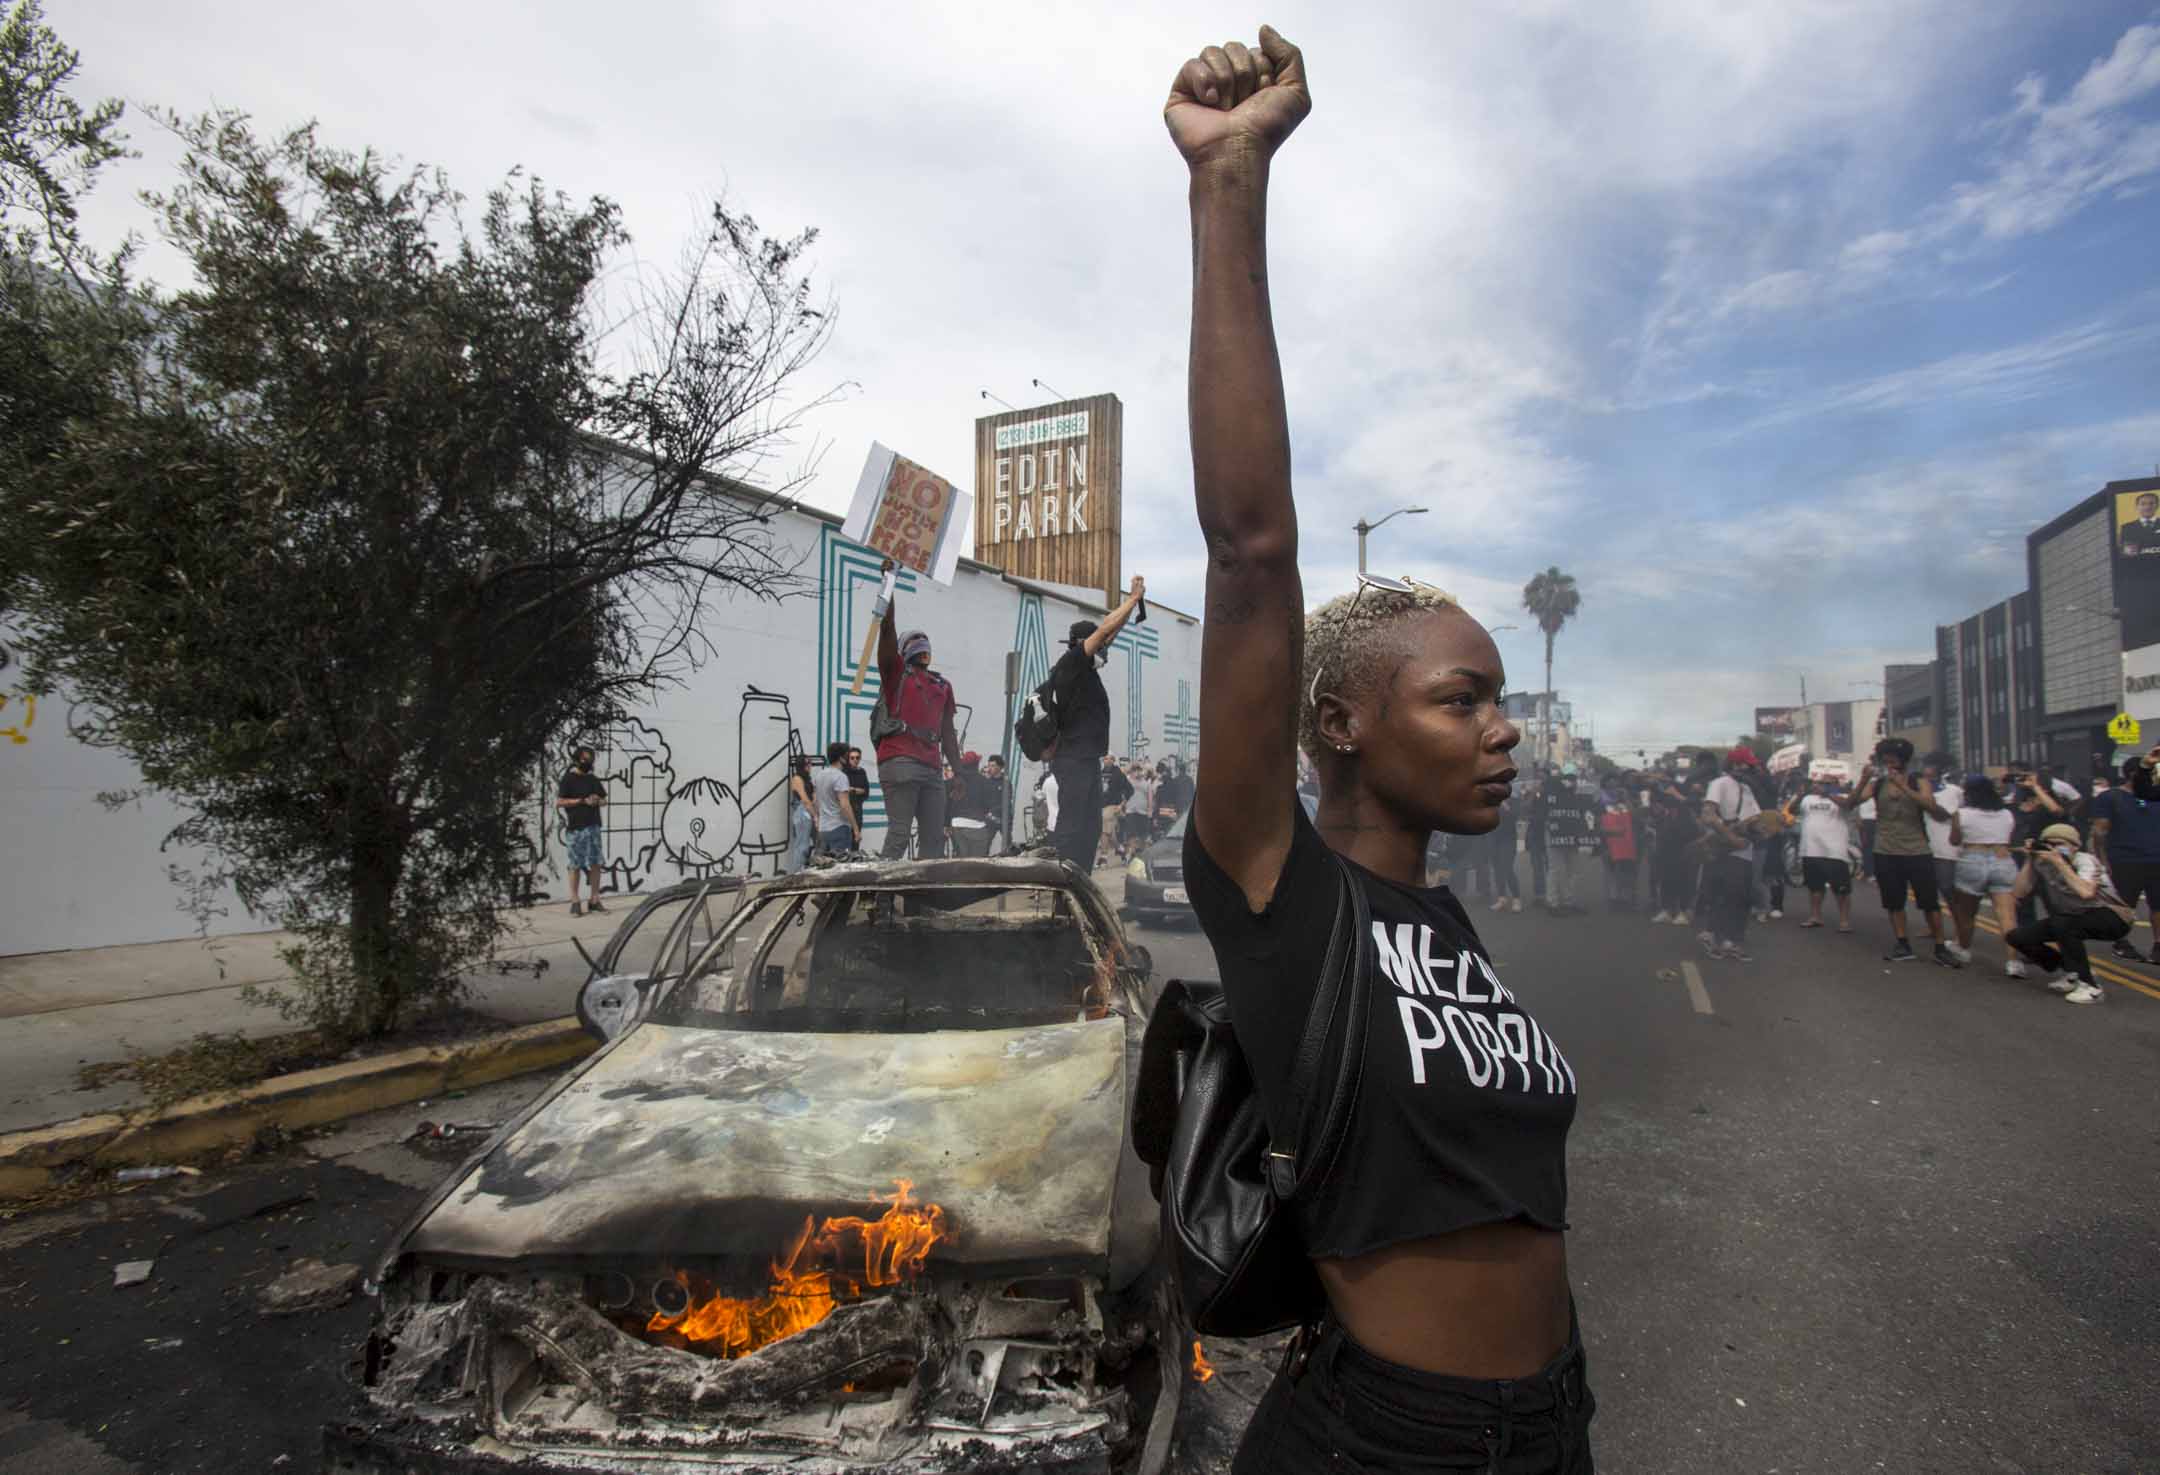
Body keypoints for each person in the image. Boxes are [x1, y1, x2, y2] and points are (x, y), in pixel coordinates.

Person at [1167, 31, 1592, 1473]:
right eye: (1461, 698)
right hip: (1387, 1443)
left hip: (1551, 1423)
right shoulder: (1282, 888)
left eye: (1493, 699)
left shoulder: (1444, 917)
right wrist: (1231, 186)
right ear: (1341, 722)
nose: (1504, 726)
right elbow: (1251, 545)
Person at [1046, 578, 1148, 872]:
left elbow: (1109, 633)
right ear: (1083, 645)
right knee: (1071, 830)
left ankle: (1081, 883)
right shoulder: (1071, 665)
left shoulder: (1087, 671)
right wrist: (1132, 600)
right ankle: (1062, 889)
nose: (1105, 650)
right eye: (1098, 646)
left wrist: (1132, 602)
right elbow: (1104, 629)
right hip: (1072, 759)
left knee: (1089, 832)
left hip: (1087, 760)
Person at [873, 574, 966, 862]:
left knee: (934, 838)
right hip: (900, 761)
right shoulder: (895, 674)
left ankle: (923, 900)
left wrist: (959, 772)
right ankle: (878, 896)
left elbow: (948, 733)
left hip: (931, 767)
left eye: (924, 641)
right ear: (903, 650)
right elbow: (887, 630)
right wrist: (888, 586)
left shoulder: (942, 685)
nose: (922, 644)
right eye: (915, 641)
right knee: (900, 834)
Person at [1855, 738, 1956, 967]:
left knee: (1929, 902)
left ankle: (1940, 947)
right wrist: (1862, 780)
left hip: (1917, 849)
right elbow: (1850, 803)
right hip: (1885, 850)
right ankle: (1902, 943)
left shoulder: (1918, 780)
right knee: (1894, 902)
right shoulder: (1878, 783)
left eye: (1893, 756)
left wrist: (1903, 787)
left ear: (1903, 759)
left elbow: (1930, 806)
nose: (1888, 760)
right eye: (1885, 757)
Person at [2007, 823, 2129, 1003]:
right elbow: (2018, 892)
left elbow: (2086, 892)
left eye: (2059, 844)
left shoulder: (2085, 860)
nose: (2054, 849)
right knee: (2017, 937)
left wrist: (2059, 863)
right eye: (2049, 844)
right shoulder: (2041, 862)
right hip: (2073, 917)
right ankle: (2072, 971)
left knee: (2063, 923)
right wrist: (2029, 861)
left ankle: (2091, 987)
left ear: (2075, 846)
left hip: (2112, 916)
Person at [2088, 756, 2160, 965]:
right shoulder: (2110, 798)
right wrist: (2102, 861)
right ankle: (2121, 942)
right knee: (2124, 905)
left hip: (2156, 858)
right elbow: (2099, 832)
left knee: (2158, 905)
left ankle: (2158, 946)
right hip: (2125, 859)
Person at [1946, 774, 2019, 973]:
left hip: (1972, 858)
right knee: (2007, 916)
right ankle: (2013, 962)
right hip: (2003, 859)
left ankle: (1962, 948)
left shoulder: (1961, 814)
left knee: (1967, 913)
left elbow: (1954, 840)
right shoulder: (2006, 814)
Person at [1698, 748, 1762, 961]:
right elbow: (1708, 815)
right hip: (1726, 850)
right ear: (1734, 765)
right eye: (1746, 764)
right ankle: (1719, 938)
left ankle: (1727, 940)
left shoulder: (1746, 788)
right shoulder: (1720, 783)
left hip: (1745, 850)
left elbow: (1754, 818)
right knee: (1729, 895)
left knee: (1741, 898)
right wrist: (1731, 837)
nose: (1750, 768)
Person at [1785, 774, 1856, 932]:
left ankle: (1844, 921)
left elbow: (1848, 805)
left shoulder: (1843, 797)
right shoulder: (1808, 799)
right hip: (1811, 849)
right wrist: (1802, 793)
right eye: (1821, 783)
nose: (1823, 786)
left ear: (1836, 785)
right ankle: (1815, 916)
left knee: (1841, 889)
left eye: (1828, 783)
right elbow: (1792, 810)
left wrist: (1829, 794)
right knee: (1814, 887)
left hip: (1834, 850)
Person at [556, 745, 609, 915]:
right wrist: (581, 801)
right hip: (576, 828)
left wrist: (596, 800)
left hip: (593, 826)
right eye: (585, 759)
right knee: (575, 864)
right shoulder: (569, 779)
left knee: (596, 863)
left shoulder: (593, 779)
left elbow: (604, 800)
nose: (588, 762)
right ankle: (575, 901)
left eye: (590, 759)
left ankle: (594, 899)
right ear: (577, 759)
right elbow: (560, 802)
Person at [1648, 773, 1698, 927]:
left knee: (1684, 879)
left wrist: (1676, 793)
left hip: (1683, 845)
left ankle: (1684, 911)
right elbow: (1656, 817)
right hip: (1666, 846)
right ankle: (1667, 910)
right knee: (1666, 878)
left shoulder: (1686, 805)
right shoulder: (1664, 807)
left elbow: (1692, 824)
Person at [1921, 757, 1961, 917]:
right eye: (1925, 777)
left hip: (1946, 848)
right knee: (1927, 891)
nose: (1928, 780)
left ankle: (1961, 929)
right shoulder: (1918, 792)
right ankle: (1933, 927)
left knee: (1947, 888)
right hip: (1924, 847)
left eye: (1931, 776)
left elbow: (1953, 815)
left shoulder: (1954, 791)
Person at [945, 751, 999, 857]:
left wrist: (946, 824)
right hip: (977, 826)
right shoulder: (984, 782)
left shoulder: (953, 782)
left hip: (957, 825)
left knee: (962, 859)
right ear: (977, 764)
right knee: (977, 863)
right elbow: (990, 805)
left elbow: (947, 804)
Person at [813, 741, 860, 856]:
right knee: (840, 868)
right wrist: (855, 828)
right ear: (841, 758)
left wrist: (818, 819)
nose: (849, 758)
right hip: (839, 828)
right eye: (847, 755)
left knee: (823, 869)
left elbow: (815, 801)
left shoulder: (819, 775)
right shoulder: (841, 777)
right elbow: (845, 805)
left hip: (823, 830)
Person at [1483, 790, 1524, 912]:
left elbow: (1515, 816)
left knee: (1507, 868)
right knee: (1496, 869)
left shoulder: (1514, 800)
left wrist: (1504, 804)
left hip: (1508, 839)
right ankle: (1502, 898)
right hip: (1493, 837)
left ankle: (1516, 899)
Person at [1598, 796, 1638, 911]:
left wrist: (1626, 800)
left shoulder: (1627, 809)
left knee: (1625, 873)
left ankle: (1624, 899)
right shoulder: (1604, 808)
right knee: (1611, 873)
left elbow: (1636, 816)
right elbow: (1598, 826)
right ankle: (1614, 898)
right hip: (1609, 845)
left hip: (1626, 846)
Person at [1099, 752, 1135, 863]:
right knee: (1109, 832)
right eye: (1105, 759)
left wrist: (1121, 805)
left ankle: (1103, 857)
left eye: (1110, 759)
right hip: (1101, 805)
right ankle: (1120, 849)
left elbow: (1130, 790)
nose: (1107, 761)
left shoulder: (1118, 773)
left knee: (1104, 830)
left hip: (1113, 805)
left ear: (1113, 760)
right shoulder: (1100, 773)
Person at [782, 753, 815, 874]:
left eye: (810, 763)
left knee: (808, 845)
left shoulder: (808, 779)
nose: (810, 766)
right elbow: (805, 799)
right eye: (807, 764)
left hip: (808, 810)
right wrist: (815, 816)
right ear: (801, 765)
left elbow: (813, 797)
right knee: (802, 846)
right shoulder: (797, 779)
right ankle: (797, 873)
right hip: (802, 812)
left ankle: (804, 871)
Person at [1120, 762, 1156, 860]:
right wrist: (1122, 808)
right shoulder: (1127, 781)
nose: (1137, 772)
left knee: (1143, 835)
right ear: (1132, 771)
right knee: (1131, 834)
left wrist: (1150, 811)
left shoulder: (1146, 783)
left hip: (1143, 813)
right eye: (1135, 770)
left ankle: (1141, 855)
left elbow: (1150, 798)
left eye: (1139, 770)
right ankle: (1130, 854)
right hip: (1130, 811)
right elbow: (1123, 795)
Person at [2123, 491, 2160, 556]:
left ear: (2157, 505)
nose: (2147, 507)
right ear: (2137, 507)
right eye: (2143, 504)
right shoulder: (2127, 528)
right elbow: (2128, 554)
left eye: (2151, 503)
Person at [843, 746, 872, 830]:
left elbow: (866, 792)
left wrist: (853, 790)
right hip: (845, 811)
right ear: (848, 759)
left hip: (857, 809)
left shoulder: (862, 772)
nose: (855, 760)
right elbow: (843, 791)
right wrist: (858, 791)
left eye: (857, 757)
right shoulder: (843, 772)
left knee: (856, 839)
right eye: (852, 758)